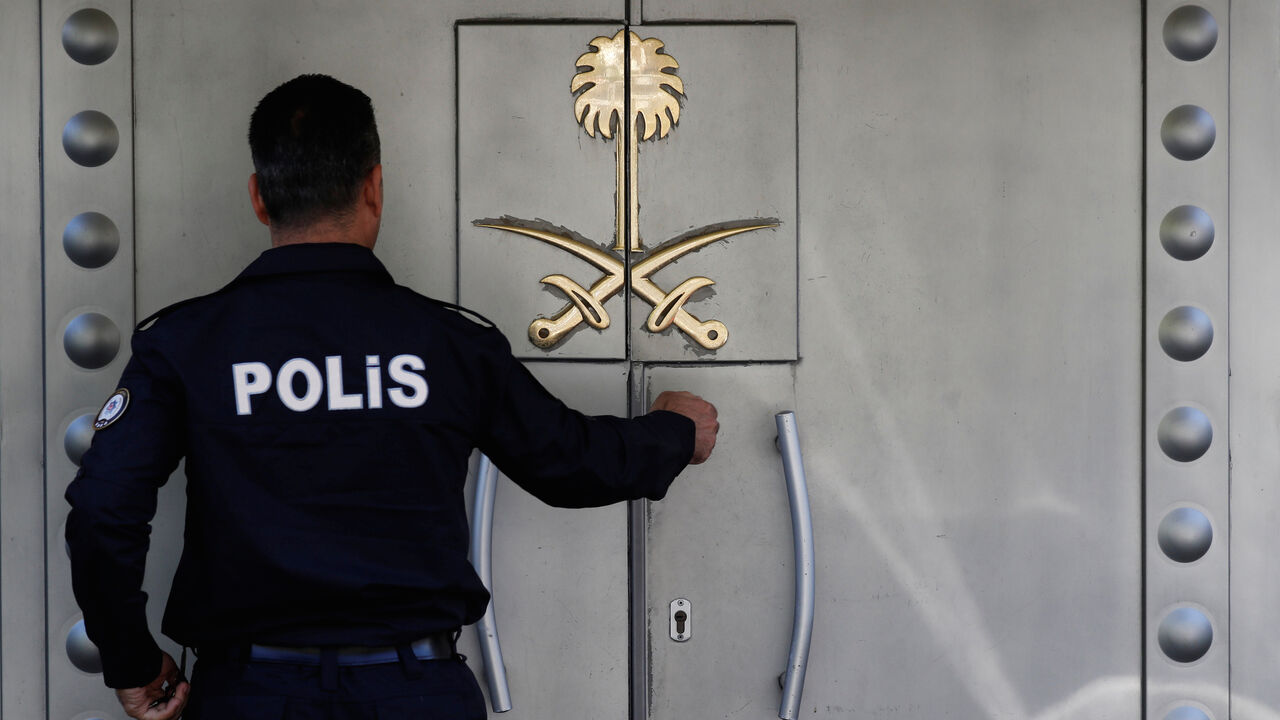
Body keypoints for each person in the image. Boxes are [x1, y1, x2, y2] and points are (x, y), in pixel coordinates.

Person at [65, 73, 719, 720]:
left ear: (260, 198)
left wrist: (131, 661)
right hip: (416, 693)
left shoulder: (185, 345)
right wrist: (675, 431)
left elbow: (103, 509)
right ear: (375, 188)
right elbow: (569, 460)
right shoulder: (448, 344)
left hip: (248, 694)